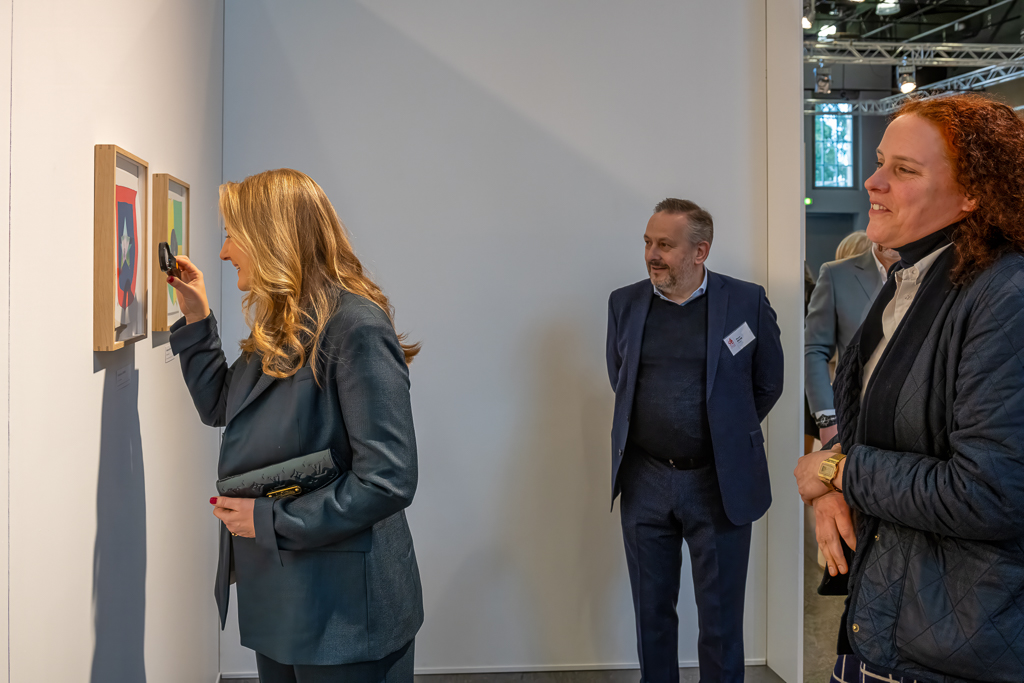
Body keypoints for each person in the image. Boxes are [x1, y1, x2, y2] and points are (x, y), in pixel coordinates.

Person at [794, 93, 1024, 682]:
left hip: (959, 643)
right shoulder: (919, 278)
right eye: (879, 162)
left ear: (972, 194)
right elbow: (885, 436)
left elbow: (989, 493)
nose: (873, 182)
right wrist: (832, 485)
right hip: (890, 620)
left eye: (904, 170)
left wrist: (835, 470)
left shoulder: (1005, 295)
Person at [168, 168, 423, 683]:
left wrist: (269, 521)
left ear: (272, 237)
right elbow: (222, 405)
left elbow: (388, 479)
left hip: (347, 611)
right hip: (282, 594)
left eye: (232, 236)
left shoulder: (356, 327)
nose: (224, 252)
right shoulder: (281, 321)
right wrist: (196, 318)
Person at [606, 199, 784, 683]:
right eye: (648, 242)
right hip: (644, 481)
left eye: (665, 245)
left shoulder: (745, 302)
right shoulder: (624, 303)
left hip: (718, 483)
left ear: (700, 251)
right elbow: (620, 379)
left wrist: (724, 435)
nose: (652, 254)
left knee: (721, 622)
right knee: (651, 616)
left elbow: (769, 383)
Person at [805, 235, 899, 445]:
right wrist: (827, 418)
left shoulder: (933, 271)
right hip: (855, 416)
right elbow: (815, 348)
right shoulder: (836, 274)